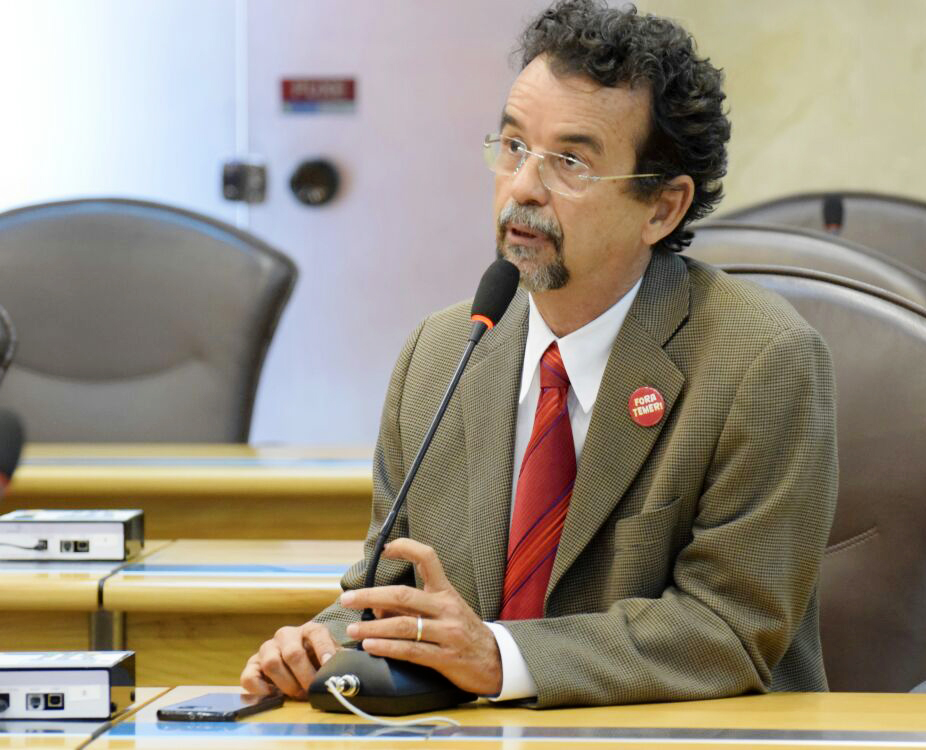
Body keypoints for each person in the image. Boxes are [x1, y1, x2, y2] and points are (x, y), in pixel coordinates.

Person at [242, 0, 837, 708]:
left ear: (662, 208)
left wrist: (501, 658)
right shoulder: (440, 354)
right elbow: (390, 588)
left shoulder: (762, 362)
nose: (523, 186)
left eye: (570, 163)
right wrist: (321, 640)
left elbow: (726, 628)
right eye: (514, 146)